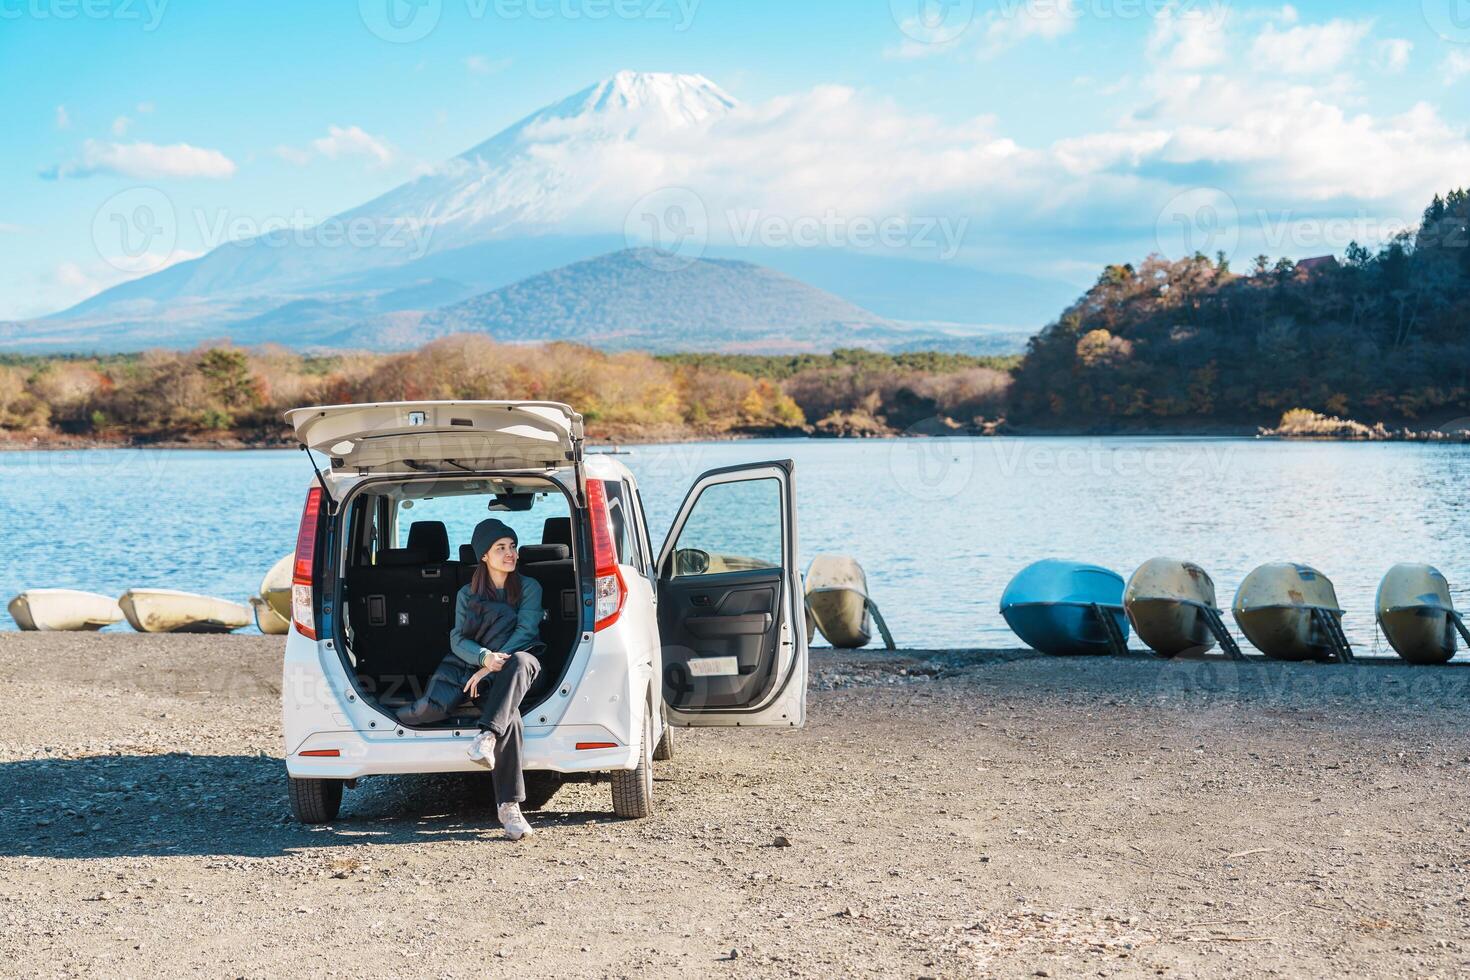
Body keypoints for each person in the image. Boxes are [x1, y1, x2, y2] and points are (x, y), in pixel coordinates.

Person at [395, 517, 545, 840]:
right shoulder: (467, 594)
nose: (510, 554)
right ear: (484, 556)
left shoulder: (530, 587)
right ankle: (509, 808)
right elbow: (457, 640)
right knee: (512, 719)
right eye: (501, 548)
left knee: (519, 662)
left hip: (521, 666)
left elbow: (526, 632)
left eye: (513, 547)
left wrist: (491, 664)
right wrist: (482, 659)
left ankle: (487, 737)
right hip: (482, 670)